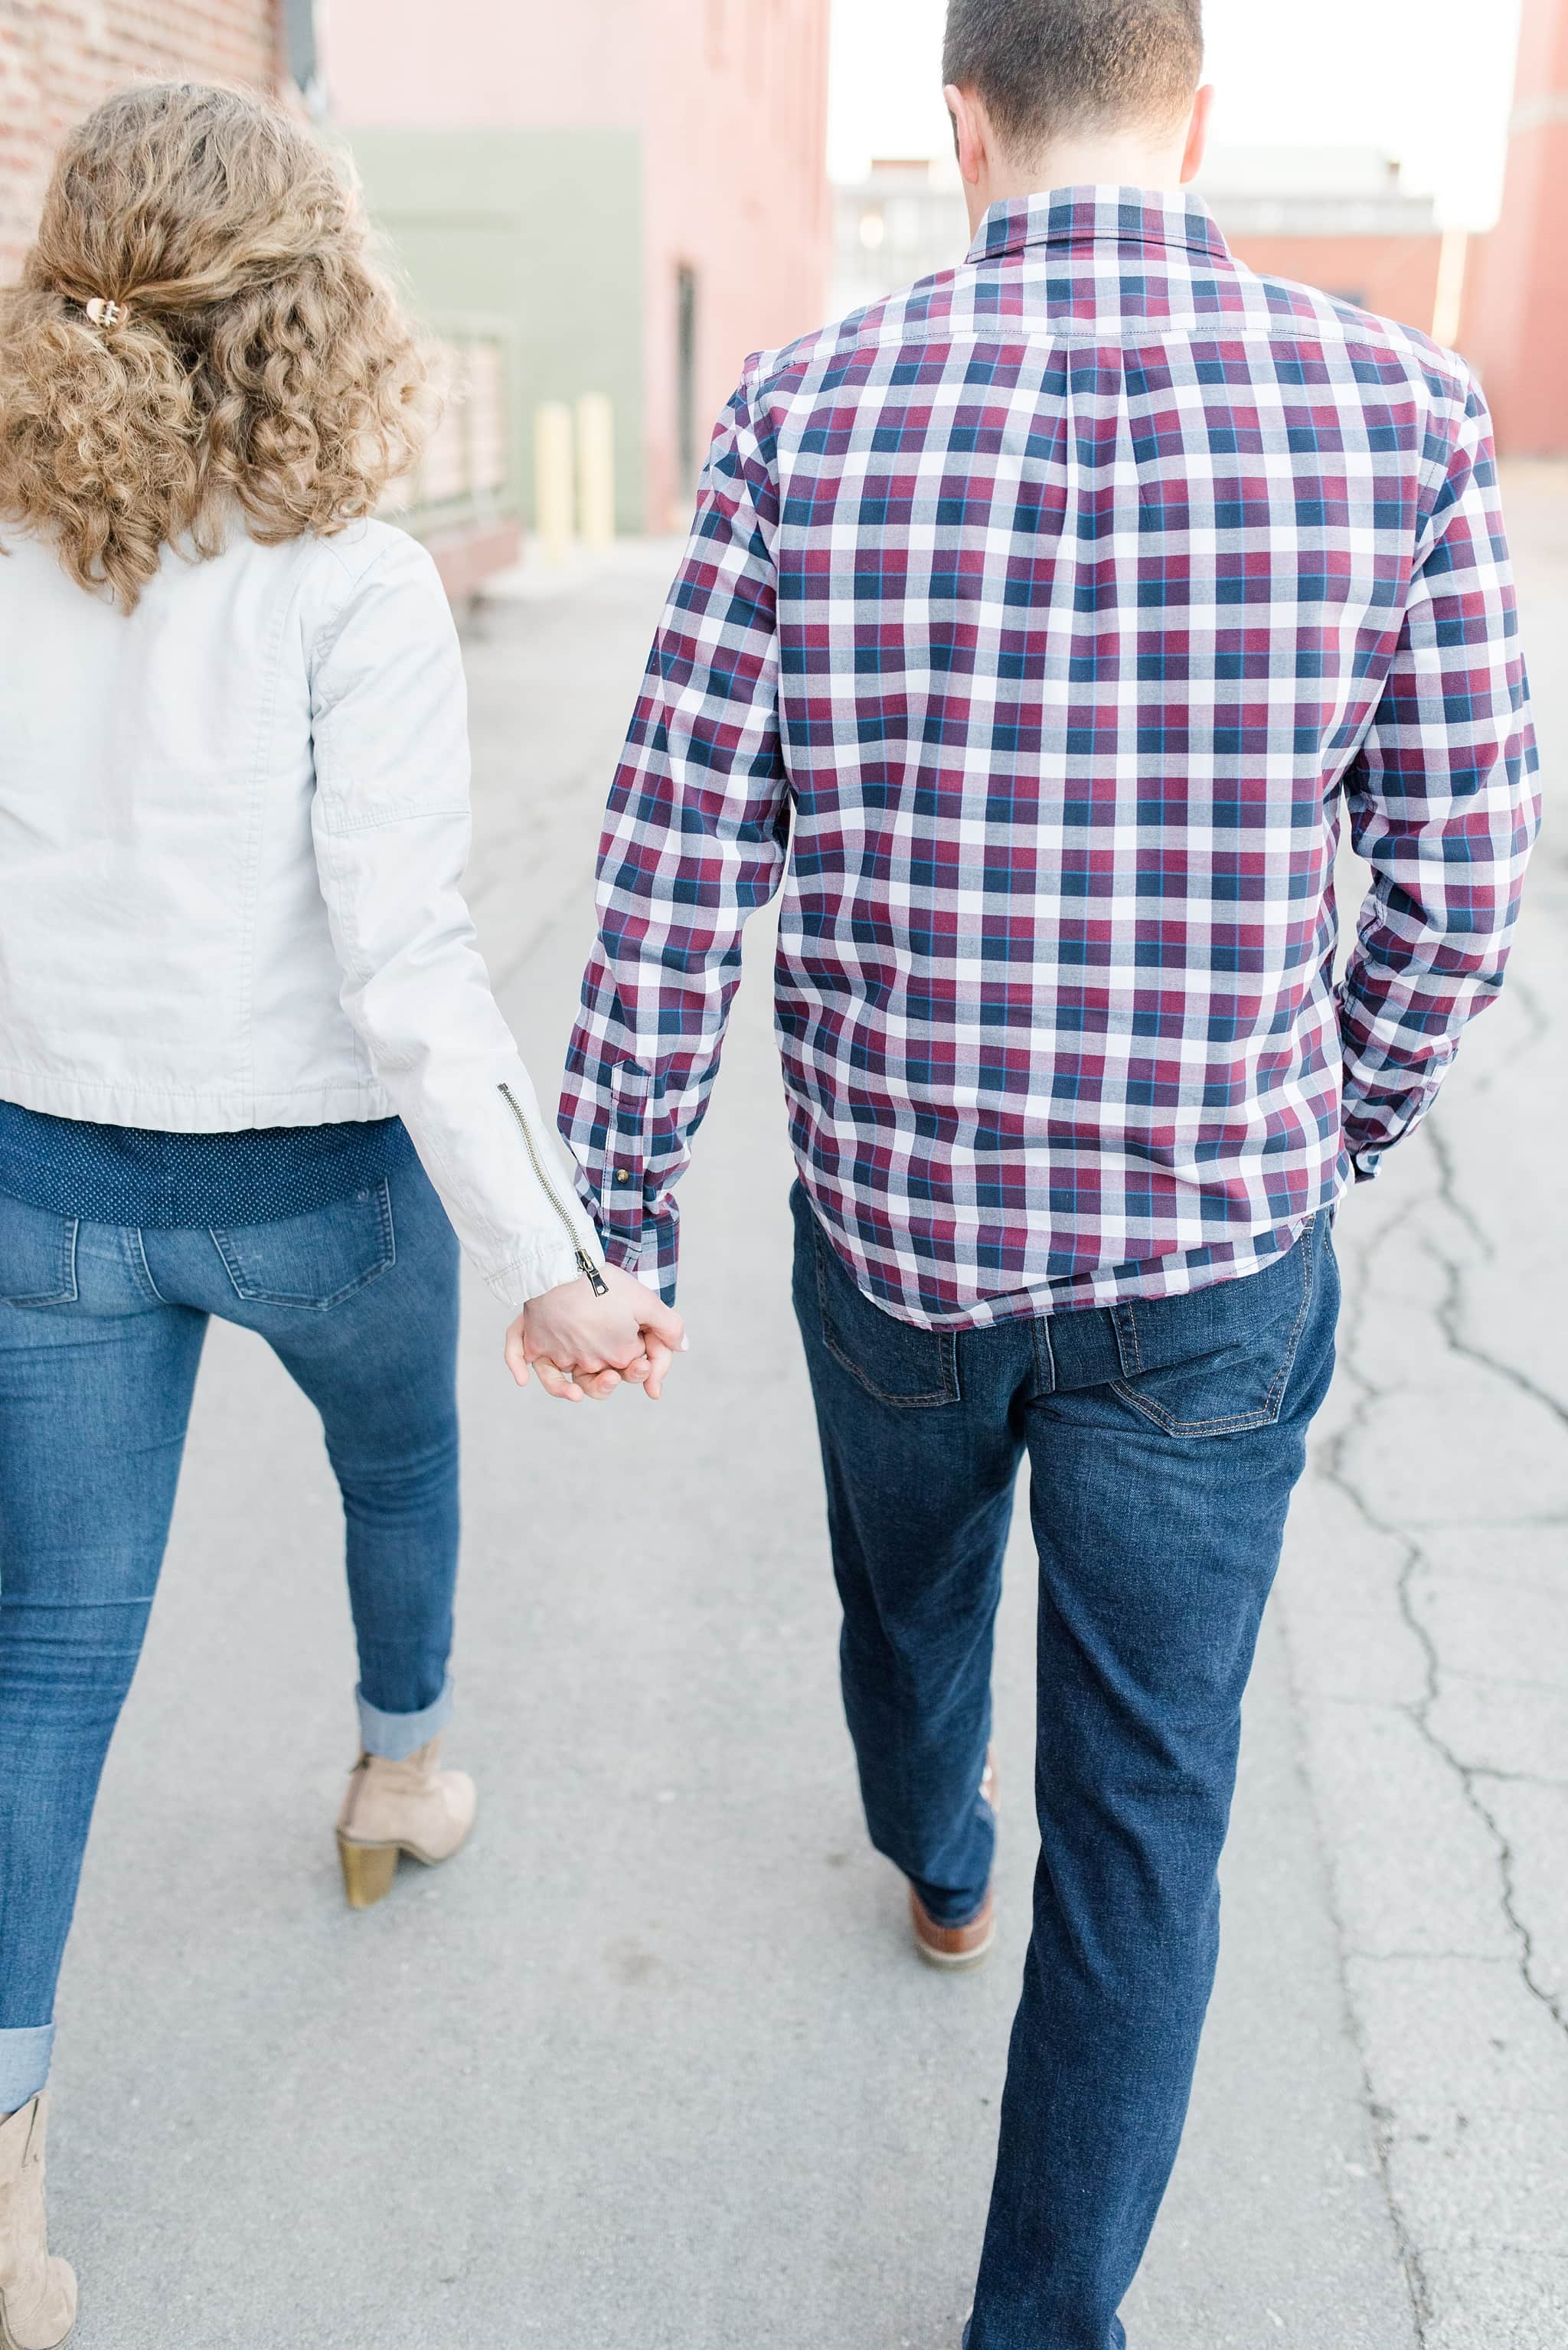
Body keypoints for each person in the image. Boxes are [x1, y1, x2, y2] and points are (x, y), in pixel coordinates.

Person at [558, 1, 1540, 2340]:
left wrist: (621, 1206)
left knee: (908, 1621)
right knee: (1156, 1816)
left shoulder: (803, 414)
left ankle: (933, 1847)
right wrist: (1328, 1120)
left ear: (962, 125)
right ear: (1196, 120)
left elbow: (678, 855)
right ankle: (1042, 2326)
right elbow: (1465, 875)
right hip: (1212, 1254)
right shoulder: (1401, 412)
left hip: (902, 1241)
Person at [0, 81, 681, 2350]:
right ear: (312, 301)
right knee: (402, 1448)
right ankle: (400, 1765)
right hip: (312, 1180)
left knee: (41, 1680)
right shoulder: (353, 581)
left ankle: (1, 2207)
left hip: (49, 1183)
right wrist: (562, 1270)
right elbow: (413, 978)